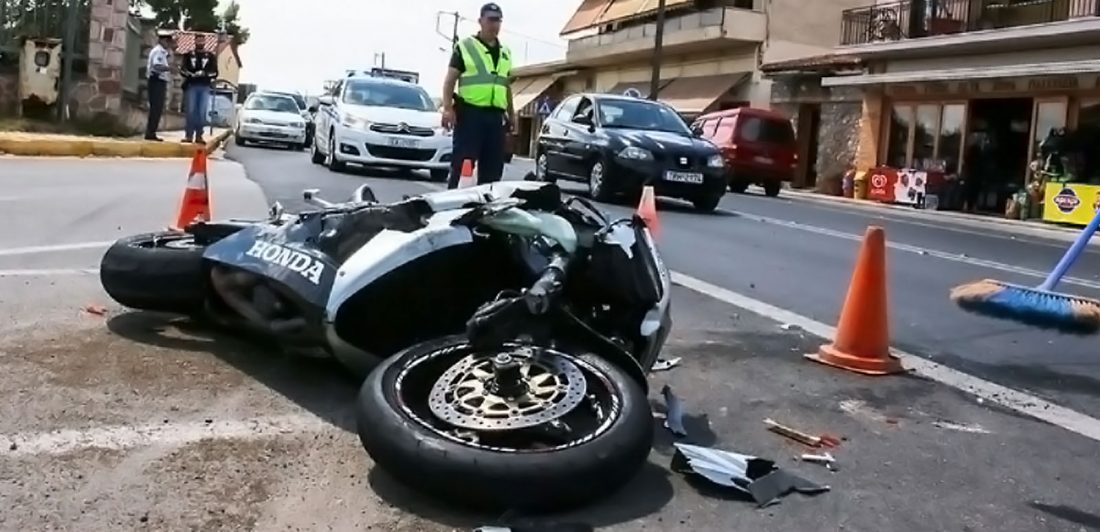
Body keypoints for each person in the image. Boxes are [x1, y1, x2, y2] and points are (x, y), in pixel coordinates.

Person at [441, 2, 515, 189]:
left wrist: (511, 115)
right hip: (470, 115)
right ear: (480, 21)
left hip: (495, 117)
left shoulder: (506, 52)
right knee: (462, 165)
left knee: (492, 172)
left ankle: (485, 211)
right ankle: (451, 207)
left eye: (498, 20)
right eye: (490, 20)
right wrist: (448, 109)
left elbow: (505, 86)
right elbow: (450, 80)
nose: (494, 24)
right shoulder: (465, 47)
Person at [180, 33, 219, 144]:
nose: (200, 43)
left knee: (201, 112)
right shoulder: (188, 55)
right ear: (195, 41)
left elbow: (215, 72)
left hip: (204, 86)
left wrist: (204, 74)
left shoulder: (210, 56)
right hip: (191, 86)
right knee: (190, 111)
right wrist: (191, 75)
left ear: (205, 42)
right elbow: (182, 70)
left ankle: (199, 135)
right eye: (198, 40)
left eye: (202, 41)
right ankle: (188, 135)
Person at [144, 32, 175, 141]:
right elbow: (157, 65)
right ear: (162, 40)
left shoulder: (162, 52)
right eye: (168, 41)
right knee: (156, 108)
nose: (169, 44)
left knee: (157, 108)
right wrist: (169, 69)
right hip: (156, 80)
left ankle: (151, 132)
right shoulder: (159, 51)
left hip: (159, 81)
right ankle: (150, 132)